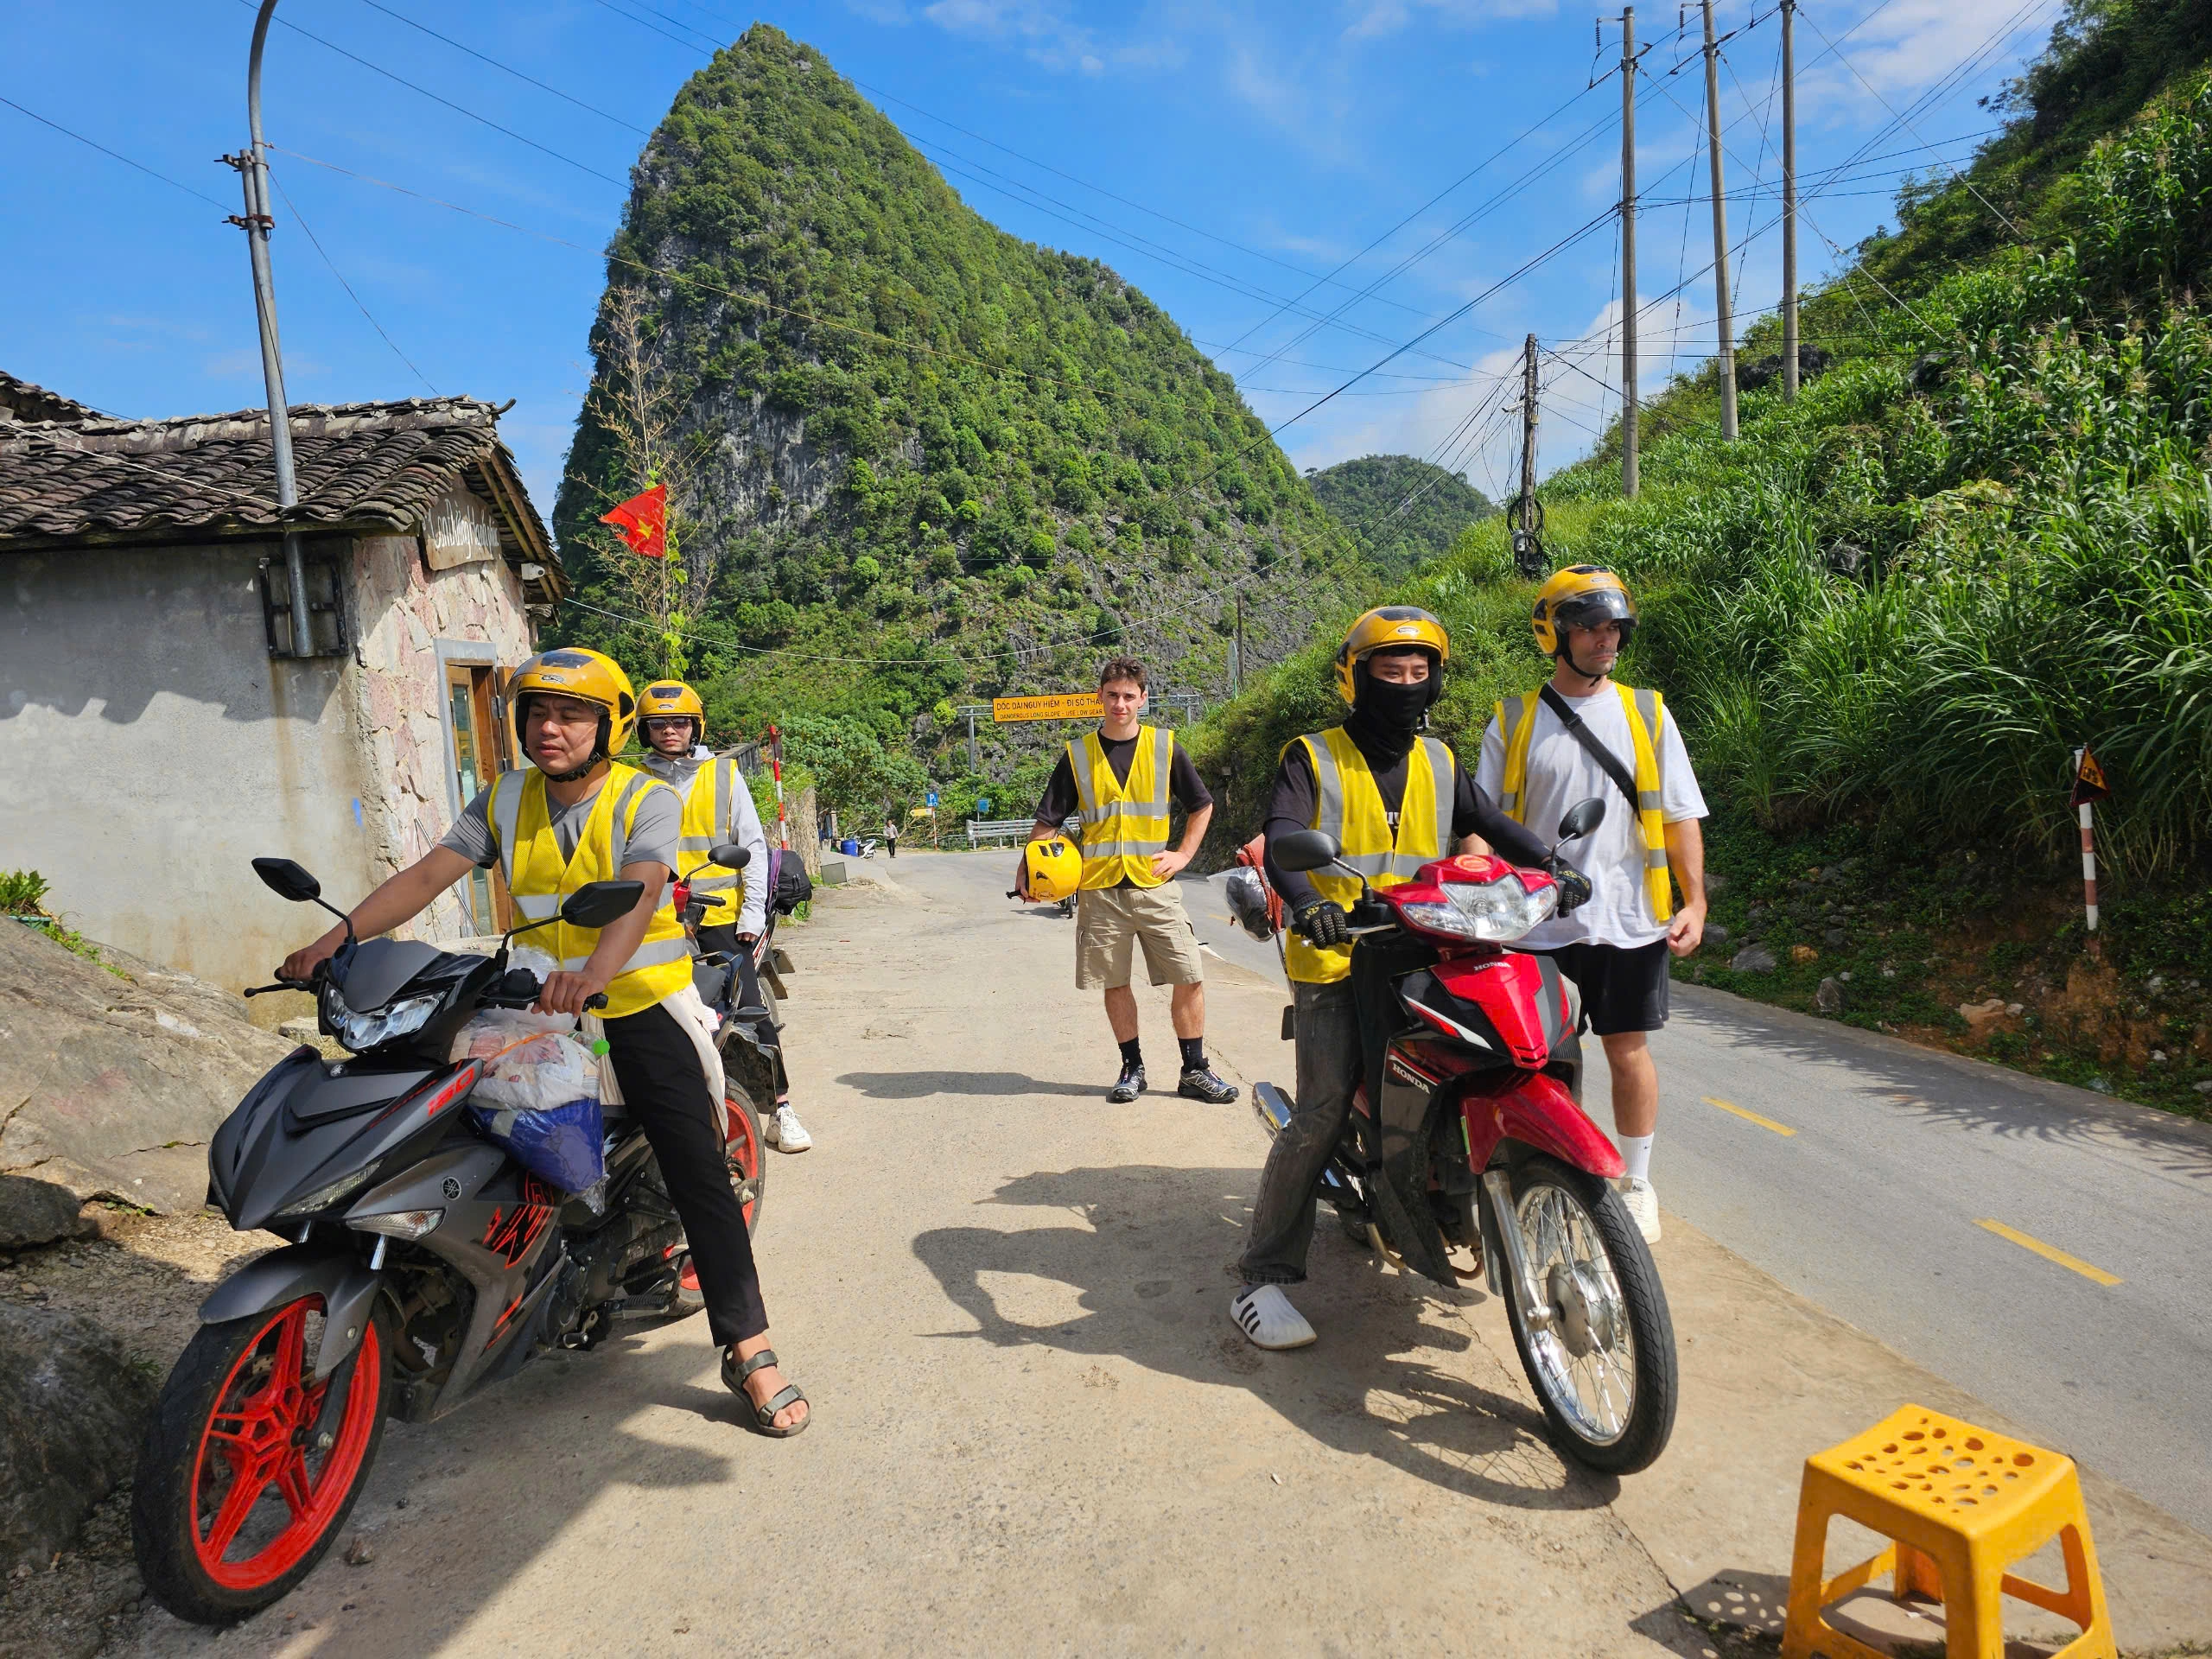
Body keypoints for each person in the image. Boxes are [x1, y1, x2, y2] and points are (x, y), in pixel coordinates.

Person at [279, 648, 808, 1435]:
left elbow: (640, 890)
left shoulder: (645, 798)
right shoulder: (503, 799)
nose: (550, 728)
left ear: (610, 726)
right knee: (443, 1117)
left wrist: (596, 971)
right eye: (537, 713)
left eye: (572, 715)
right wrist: (340, 937)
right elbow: (429, 875)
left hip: (633, 1003)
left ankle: (747, 1343)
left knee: (698, 1170)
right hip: (530, 1005)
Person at [1231, 607, 1577, 1351]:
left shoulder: (1442, 760)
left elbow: (1493, 823)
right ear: (1356, 678)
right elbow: (1288, 840)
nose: (1407, 686)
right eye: (1391, 673)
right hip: (1339, 955)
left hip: (1432, 947)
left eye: (1421, 674)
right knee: (1322, 1109)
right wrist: (1308, 907)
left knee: (1484, 1060)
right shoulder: (1311, 756)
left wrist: (1550, 865)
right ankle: (1264, 1272)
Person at [1474, 566, 1707, 1246]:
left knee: (1627, 1049)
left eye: (1613, 628)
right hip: (1534, 923)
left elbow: (1681, 814)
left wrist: (1694, 900)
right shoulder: (1513, 721)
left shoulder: (1647, 713)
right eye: (1589, 627)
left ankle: (1635, 1183)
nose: (1606, 640)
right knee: (1539, 1061)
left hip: (1628, 920)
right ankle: (1552, 1185)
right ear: (1555, 634)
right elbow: (1479, 822)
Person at [1020, 656, 1238, 1106]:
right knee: (1115, 982)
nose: (1120, 704)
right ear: (1099, 697)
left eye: (1129, 696)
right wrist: (1028, 866)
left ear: (1142, 699)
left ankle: (1195, 1071)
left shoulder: (1165, 747)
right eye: (1112, 695)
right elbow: (1048, 821)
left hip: (1155, 885)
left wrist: (1183, 855)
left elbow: (1201, 805)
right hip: (1100, 890)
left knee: (1189, 974)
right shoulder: (1077, 755)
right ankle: (1132, 1068)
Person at [637, 680, 810, 1158]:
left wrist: (752, 913)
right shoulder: (633, 781)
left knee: (750, 1012)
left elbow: (752, 847)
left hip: (720, 919)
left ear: (695, 727)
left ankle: (781, 1110)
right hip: (656, 919)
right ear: (643, 730)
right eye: (658, 723)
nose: (669, 731)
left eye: (678, 723)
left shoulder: (724, 776)